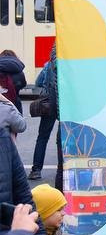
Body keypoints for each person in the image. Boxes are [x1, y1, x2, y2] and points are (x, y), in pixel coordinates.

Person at [28, 48, 57, 182]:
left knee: (43, 137)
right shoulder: (70, 64)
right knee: (65, 137)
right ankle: (63, 170)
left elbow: (38, 82)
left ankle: (36, 170)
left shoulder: (48, 65)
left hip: (49, 104)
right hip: (67, 105)